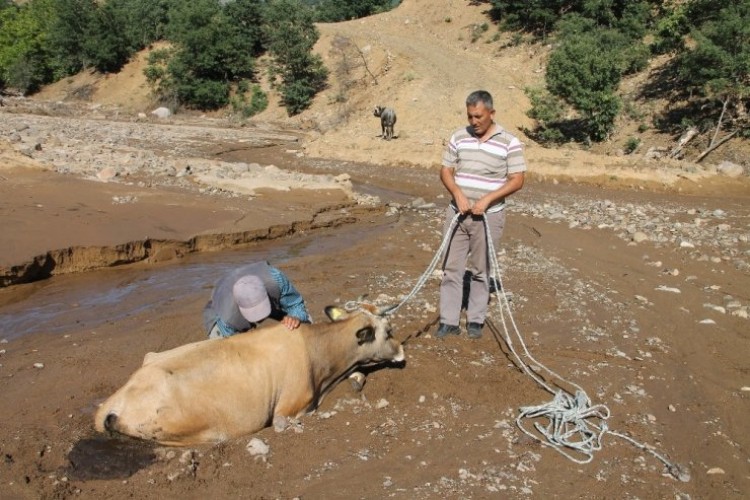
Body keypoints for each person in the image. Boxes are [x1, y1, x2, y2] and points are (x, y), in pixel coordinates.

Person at [437, 90, 527, 339]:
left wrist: (487, 199)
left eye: (478, 116)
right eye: (470, 117)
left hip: (489, 218)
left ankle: (475, 320)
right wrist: (457, 193)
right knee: (451, 268)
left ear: (491, 113)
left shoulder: (510, 141)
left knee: (480, 270)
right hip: (457, 214)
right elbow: (445, 170)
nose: (474, 122)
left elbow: (517, 180)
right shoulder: (458, 136)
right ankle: (448, 321)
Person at [202, 260, 311, 338]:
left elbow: (296, 304)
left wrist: (295, 318)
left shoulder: (276, 279)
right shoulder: (226, 318)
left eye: (261, 309)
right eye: (253, 313)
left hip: (271, 298)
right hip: (222, 310)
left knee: (305, 323)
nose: (260, 319)